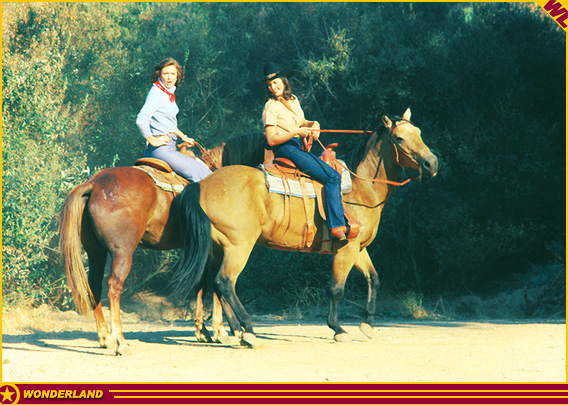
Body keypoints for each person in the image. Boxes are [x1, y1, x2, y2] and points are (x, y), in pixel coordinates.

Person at [261, 62, 348, 240]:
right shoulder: (271, 106)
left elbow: (302, 121)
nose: (273, 87)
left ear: (284, 82)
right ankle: (336, 226)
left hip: (297, 145)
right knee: (333, 177)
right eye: (270, 85)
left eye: (276, 83)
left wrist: (314, 124)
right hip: (285, 148)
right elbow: (271, 139)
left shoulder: (293, 100)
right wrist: (295, 133)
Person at [136, 58, 212, 182]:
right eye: (165, 74)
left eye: (173, 74)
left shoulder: (165, 92)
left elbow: (167, 124)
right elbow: (141, 119)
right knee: (203, 177)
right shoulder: (157, 94)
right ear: (159, 75)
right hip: (161, 150)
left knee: (202, 170)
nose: (169, 78)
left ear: (177, 76)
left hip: (169, 146)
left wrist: (183, 137)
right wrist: (152, 140)